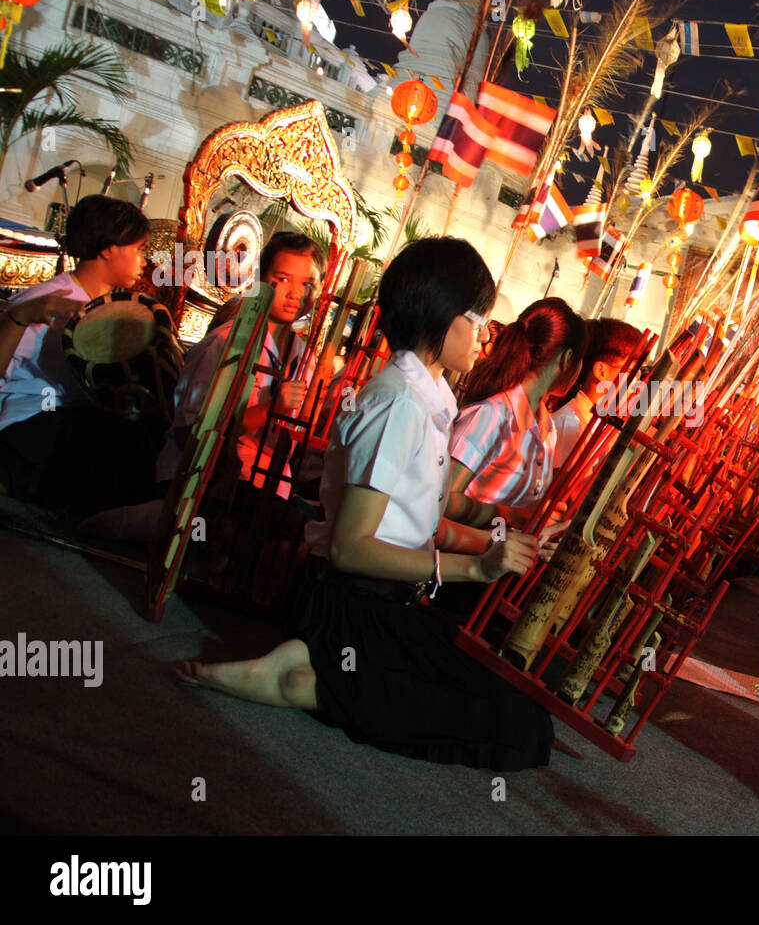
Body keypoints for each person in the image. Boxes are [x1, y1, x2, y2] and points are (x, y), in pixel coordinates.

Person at [176, 237, 554, 771]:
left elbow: (429, 518)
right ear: (440, 317)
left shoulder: (431, 397)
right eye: (476, 317)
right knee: (514, 731)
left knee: (523, 721)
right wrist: (473, 567)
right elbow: (352, 549)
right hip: (351, 604)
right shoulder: (399, 403)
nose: (485, 334)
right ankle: (299, 675)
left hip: (382, 605)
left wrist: (507, 538)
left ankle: (309, 665)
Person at [0, 195, 155, 509]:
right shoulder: (49, 299)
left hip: (78, 416)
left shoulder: (116, 307)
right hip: (30, 417)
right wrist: (20, 317)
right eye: (139, 250)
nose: (144, 261)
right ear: (109, 248)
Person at [155, 231, 323, 499]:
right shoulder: (225, 344)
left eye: (306, 284)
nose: (295, 294)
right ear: (260, 280)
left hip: (270, 488)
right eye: (282, 279)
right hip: (202, 487)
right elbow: (190, 434)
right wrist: (270, 408)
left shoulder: (305, 357)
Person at [445, 297, 587, 531]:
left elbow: (504, 530)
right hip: (458, 557)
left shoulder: (546, 429)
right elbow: (442, 502)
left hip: (495, 557)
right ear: (567, 359)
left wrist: (541, 530)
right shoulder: (492, 416)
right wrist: (514, 517)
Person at [551, 317, 642, 475]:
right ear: (601, 371)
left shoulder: (605, 424)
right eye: (633, 372)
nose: (637, 383)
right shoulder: (569, 425)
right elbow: (574, 495)